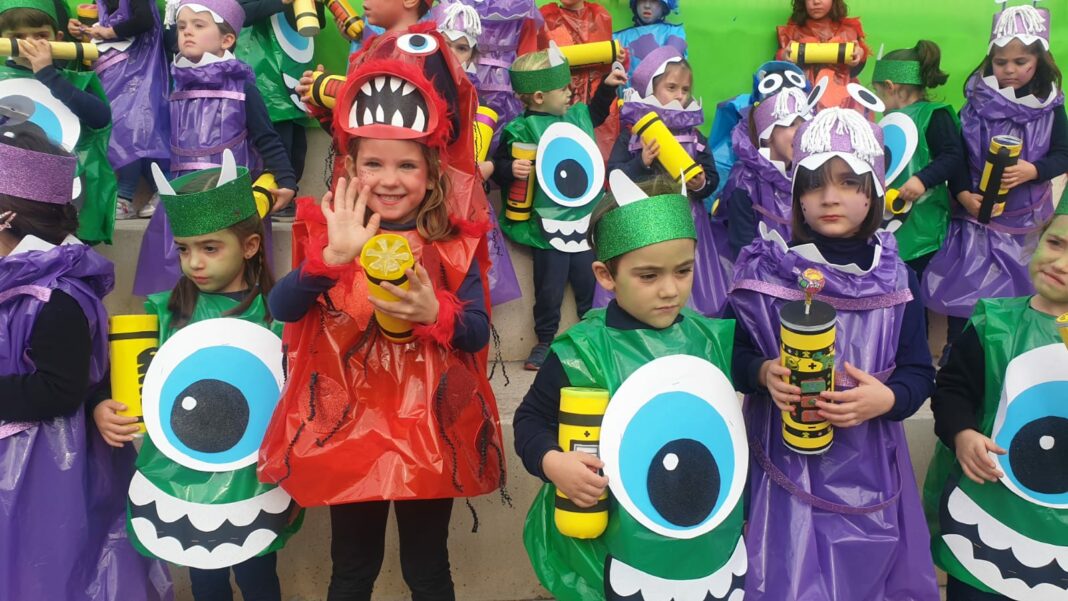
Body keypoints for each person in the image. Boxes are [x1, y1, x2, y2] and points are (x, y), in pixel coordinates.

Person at [257, 59, 505, 601]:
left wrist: (435, 313)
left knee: (427, 567)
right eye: (373, 163)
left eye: (406, 165)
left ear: (431, 172)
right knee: (351, 568)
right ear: (350, 167)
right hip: (348, 424)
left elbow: (476, 333)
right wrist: (330, 259)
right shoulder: (328, 233)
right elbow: (282, 307)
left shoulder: (451, 242)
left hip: (428, 424)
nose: (390, 180)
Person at [728, 106, 940, 600]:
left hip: (869, 463)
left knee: (866, 578)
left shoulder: (898, 278)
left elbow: (918, 371)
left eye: (848, 182)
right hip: (782, 463)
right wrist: (761, 372)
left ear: (874, 191)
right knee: (787, 573)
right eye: (814, 184)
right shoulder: (767, 270)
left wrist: (889, 399)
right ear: (797, 195)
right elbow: (731, 352)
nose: (829, 197)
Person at [514, 171, 747, 601]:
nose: (669, 290)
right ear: (605, 275)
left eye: (683, 270)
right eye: (648, 276)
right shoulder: (582, 353)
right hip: (613, 550)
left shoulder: (708, 338)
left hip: (702, 550)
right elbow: (529, 420)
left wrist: (765, 373)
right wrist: (553, 463)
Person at [94, 151, 301, 601]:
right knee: (206, 581)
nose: (194, 263)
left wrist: (294, 481)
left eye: (210, 248)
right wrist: (103, 406)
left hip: (254, 482)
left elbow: (296, 402)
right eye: (184, 249)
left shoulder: (278, 318)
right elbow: (131, 388)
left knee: (257, 578)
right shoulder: (164, 313)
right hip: (182, 483)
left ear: (250, 246)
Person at [0, 122, 171, 601]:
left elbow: (59, 388)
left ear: (6, 216)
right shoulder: (17, 279)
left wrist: (94, 401)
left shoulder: (55, 296)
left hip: (43, 471)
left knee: (41, 571)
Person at [923, 188, 1068, 601]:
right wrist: (963, 433)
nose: (1061, 263)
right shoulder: (994, 323)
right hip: (986, 513)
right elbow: (953, 390)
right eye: (1056, 243)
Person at [922, 4, 1067, 353]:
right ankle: (957, 356)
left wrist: (1034, 170)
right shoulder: (975, 105)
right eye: (1001, 62)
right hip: (975, 219)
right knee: (964, 293)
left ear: (1039, 60)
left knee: (1018, 300)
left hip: (1024, 223)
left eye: (1020, 62)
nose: (1010, 70)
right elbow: (957, 155)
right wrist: (962, 193)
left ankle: (1010, 358)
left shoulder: (1051, 109)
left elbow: (1063, 153)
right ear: (990, 61)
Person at [133, 0, 296, 297]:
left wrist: (286, 180)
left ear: (227, 39)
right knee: (176, 270)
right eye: (182, 26)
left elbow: (267, 137)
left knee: (230, 270)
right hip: (182, 196)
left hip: (228, 196)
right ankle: (179, 317)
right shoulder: (176, 86)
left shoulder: (242, 89)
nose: (187, 32)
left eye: (199, 25)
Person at [491, 45, 626, 370]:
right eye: (563, 88)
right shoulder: (519, 130)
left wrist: (607, 87)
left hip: (584, 224)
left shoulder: (576, 117)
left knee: (589, 284)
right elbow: (499, 165)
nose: (570, 93)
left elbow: (596, 112)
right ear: (539, 97)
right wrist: (510, 169)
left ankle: (595, 339)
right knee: (548, 289)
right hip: (546, 229)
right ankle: (545, 342)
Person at [603, 45, 727, 317]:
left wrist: (701, 184)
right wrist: (641, 162)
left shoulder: (694, 135)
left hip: (687, 222)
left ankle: (692, 321)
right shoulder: (634, 135)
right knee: (649, 280)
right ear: (650, 88)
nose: (680, 96)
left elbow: (711, 176)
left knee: (687, 278)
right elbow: (614, 176)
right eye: (671, 88)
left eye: (685, 89)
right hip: (644, 225)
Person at [0, 0, 117, 243]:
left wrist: (49, 76)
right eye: (18, 36)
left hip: (62, 200)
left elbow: (100, 119)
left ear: (58, 38)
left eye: (40, 35)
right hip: (8, 199)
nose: (31, 44)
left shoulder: (72, 81)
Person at [69, 0, 170, 220]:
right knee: (124, 134)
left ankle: (131, 194)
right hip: (114, 75)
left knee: (133, 132)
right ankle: (158, 191)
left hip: (140, 73)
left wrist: (109, 32)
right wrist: (83, 31)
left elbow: (144, 20)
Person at [871, 40, 963, 280]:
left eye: (878, 92)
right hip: (892, 220)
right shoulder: (889, 122)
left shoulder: (933, 115)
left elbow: (953, 155)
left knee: (916, 281)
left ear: (890, 87)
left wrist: (922, 179)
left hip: (923, 225)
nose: (878, 100)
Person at [235, 0, 324, 219]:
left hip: (293, 74)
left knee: (297, 148)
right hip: (264, 78)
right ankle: (270, 196)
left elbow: (318, 23)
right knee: (276, 142)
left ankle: (287, 196)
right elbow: (239, 14)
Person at [724, 83, 812, 256]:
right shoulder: (744, 182)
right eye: (791, 124)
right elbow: (742, 248)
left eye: (804, 124)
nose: (801, 132)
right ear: (767, 135)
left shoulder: (804, 175)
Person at [540, 0, 620, 158]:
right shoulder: (547, 19)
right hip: (562, 98)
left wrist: (618, 57)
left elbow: (607, 64)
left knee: (595, 156)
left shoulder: (599, 17)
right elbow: (539, 63)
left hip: (597, 100)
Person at [776, 0, 870, 111]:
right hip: (805, 95)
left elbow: (855, 69)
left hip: (842, 96)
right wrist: (783, 55)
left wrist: (859, 55)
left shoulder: (847, 31)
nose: (816, 2)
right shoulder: (793, 32)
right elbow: (779, 68)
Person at [613, 0, 685, 78]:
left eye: (654, 1)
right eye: (642, 0)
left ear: (664, 6)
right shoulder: (619, 37)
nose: (647, 6)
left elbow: (675, 73)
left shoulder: (673, 33)